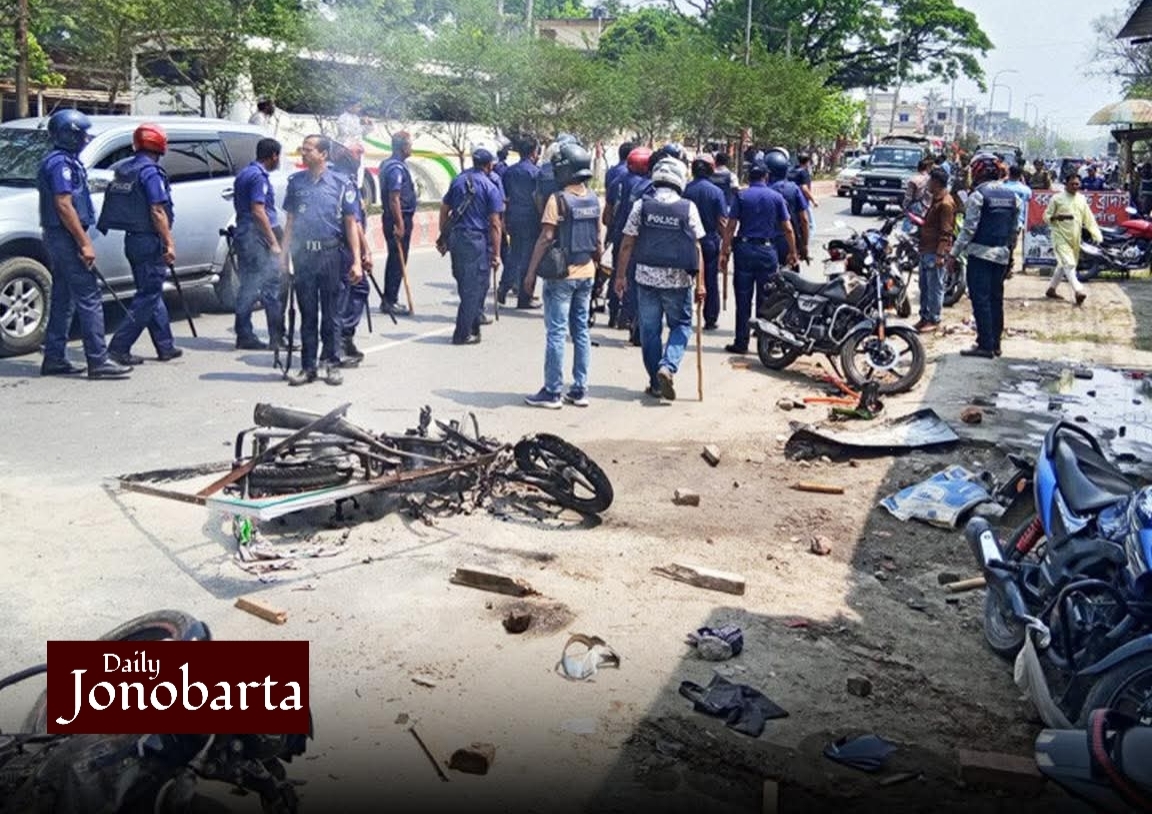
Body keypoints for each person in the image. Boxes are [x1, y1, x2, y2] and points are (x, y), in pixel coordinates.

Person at [37, 110, 130, 379]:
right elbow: (64, 205)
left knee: (64, 298)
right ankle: (98, 360)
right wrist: (84, 242)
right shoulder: (60, 165)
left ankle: (54, 357)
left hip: (61, 236)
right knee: (90, 296)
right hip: (65, 237)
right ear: (69, 135)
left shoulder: (65, 161)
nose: (86, 139)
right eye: (81, 135)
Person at [614, 157, 705, 401]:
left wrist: (620, 276)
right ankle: (668, 366)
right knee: (681, 325)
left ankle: (655, 383)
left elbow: (627, 243)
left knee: (649, 331)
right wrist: (702, 284)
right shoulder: (688, 207)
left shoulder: (641, 206)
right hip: (678, 280)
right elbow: (697, 248)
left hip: (646, 278)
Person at [521, 142, 602, 408]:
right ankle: (580, 389)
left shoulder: (557, 200)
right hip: (587, 273)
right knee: (581, 332)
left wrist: (530, 273)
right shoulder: (593, 199)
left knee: (556, 333)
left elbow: (545, 238)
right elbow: (597, 241)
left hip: (562, 277)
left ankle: (552, 391)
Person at [279, 135, 362, 386]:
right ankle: (308, 367)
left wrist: (357, 261)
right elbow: (290, 221)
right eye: (302, 149)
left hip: (330, 254)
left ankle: (332, 364)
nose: (303, 154)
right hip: (303, 256)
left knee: (331, 314)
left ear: (323, 154)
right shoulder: (296, 183)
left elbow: (351, 223)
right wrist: (283, 256)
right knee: (307, 313)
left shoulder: (341, 184)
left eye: (309, 150)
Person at [99, 123, 183, 367]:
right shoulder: (150, 173)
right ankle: (119, 347)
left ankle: (165, 346)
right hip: (149, 241)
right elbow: (157, 210)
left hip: (133, 239)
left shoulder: (126, 169)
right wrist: (169, 242)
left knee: (151, 292)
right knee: (147, 296)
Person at [720, 162, 797, 355]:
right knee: (767, 300)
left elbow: (731, 226)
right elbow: (788, 228)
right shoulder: (776, 197)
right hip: (767, 251)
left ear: (749, 177)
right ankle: (766, 344)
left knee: (743, 298)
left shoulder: (741, 196)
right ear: (766, 177)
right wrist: (793, 252)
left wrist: (724, 251)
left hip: (744, 250)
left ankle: (741, 342)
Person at [947, 152, 1018, 359]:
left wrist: (953, 254)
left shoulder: (978, 196)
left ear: (978, 172)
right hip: (1002, 255)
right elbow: (1014, 230)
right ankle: (996, 344)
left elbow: (968, 230)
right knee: (996, 299)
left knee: (981, 299)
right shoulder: (1011, 196)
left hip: (980, 255)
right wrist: (1010, 256)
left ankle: (985, 345)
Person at [438, 147, 504, 345]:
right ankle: (462, 333)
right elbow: (495, 224)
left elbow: (444, 209)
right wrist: (497, 254)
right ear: (489, 165)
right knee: (474, 288)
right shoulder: (490, 186)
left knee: (464, 282)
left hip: (457, 238)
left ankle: (474, 326)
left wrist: (444, 235)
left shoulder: (458, 181)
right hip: (475, 240)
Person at [232, 137, 284, 351]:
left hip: (245, 235)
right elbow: (258, 211)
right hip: (257, 237)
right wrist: (273, 242)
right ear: (274, 156)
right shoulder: (258, 177)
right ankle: (276, 339)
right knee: (271, 287)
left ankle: (244, 334)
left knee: (248, 287)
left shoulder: (245, 173)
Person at [605, 146, 654, 334]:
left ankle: (613, 310)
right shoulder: (647, 186)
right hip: (637, 237)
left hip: (619, 233)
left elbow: (607, 214)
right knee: (633, 277)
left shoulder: (617, 180)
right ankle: (628, 315)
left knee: (617, 271)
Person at [682, 154, 728, 331]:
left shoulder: (685, 190)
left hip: (688, 240)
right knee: (710, 280)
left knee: (683, 279)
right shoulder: (716, 192)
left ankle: (683, 315)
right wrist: (726, 245)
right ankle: (710, 318)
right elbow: (722, 222)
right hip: (709, 241)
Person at [1044, 171, 1102, 307]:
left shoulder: (1081, 199)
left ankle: (1051, 289)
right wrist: (1057, 217)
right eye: (1072, 184)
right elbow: (1046, 216)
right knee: (1069, 263)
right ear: (1066, 184)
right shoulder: (1057, 198)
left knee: (1063, 264)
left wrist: (1096, 234)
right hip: (1059, 235)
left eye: (1077, 184)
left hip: (1075, 237)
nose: (1075, 186)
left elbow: (1089, 218)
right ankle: (1078, 290)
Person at [499, 136, 542, 308]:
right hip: (530, 218)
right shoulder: (536, 173)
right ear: (534, 152)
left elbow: (504, 197)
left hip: (513, 217)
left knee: (514, 254)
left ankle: (504, 286)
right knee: (528, 258)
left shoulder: (509, 171)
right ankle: (524, 298)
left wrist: (504, 218)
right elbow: (538, 197)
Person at [378, 131, 418, 316]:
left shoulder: (388, 164)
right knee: (397, 260)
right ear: (403, 147)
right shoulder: (396, 169)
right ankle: (390, 300)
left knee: (395, 258)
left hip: (394, 217)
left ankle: (389, 298)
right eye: (409, 145)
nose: (411, 148)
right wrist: (400, 224)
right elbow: (394, 198)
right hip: (398, 218)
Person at [912, 168, 955, 333]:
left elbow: (946, 231)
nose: (928, 184)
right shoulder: (935, 200)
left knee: (935, 288)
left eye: (930, 181)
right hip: (926, 248)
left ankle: (933, 319)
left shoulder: (946, 204)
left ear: (936, 183)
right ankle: (924, 317)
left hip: (934, 251)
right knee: (924, 287)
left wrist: (940, 254)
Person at [763, 148, 810, 269]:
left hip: (764, 243)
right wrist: (804, 245)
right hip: (789, 241)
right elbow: (804, 219)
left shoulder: (763, 191)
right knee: (791, 277)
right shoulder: (793, 189)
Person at [1002, 164, 1033, 275]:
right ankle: (1008, 265)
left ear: (1009, 173)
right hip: (1019, 221)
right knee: (1011, 244)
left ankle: (1005, 265)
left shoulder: (1002, 187)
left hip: (1002, 219)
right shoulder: (1026, 190)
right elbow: (1029, 201)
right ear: (1020, 175)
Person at [789, 152, 817, 227]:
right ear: (807, 162)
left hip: (792, 200)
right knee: (810, 224)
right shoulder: (803, 172)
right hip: (803, 201)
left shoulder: (792, 170)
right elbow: (804, 188)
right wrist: (813, 200)